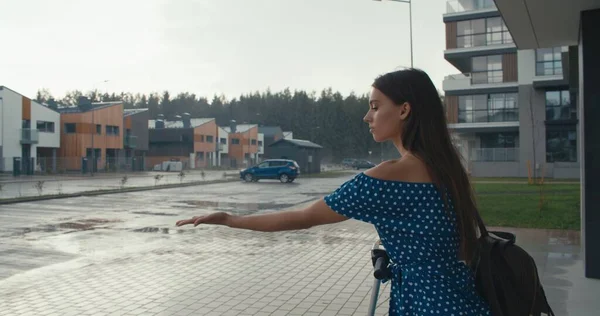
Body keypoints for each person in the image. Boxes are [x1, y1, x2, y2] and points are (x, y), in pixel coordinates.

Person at [176, 68, 490, 315]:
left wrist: (230, 220)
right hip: (464, 301)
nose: (367, 116)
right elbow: (458, 246)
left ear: (404, 109)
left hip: (425, 307)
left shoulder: (386, 179)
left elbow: (303, 217)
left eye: (375, 106)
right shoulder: (448, 171)